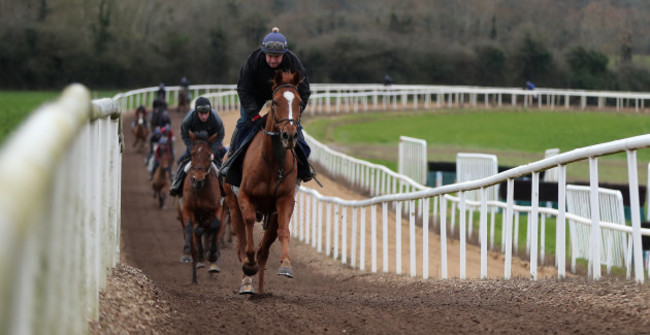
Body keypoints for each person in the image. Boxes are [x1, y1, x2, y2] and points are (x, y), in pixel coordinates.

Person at [219, 27, 316, 184]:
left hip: (283, 97)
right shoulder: (253, 60)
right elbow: (243, 88)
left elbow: (304, 92)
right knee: (244, 122)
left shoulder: (293, 62)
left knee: (293, 126)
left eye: (277, 57)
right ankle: (231, 159)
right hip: (255, 95)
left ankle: (305, 166)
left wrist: (295, 114)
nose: (272, 60)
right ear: (264, 53)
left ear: (284, 54)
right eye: (270, 56)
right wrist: (254, 115)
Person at [169, 97, 226, 197]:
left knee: (220, 163)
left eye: (206, 113)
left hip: (211, 143)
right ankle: (176, 184)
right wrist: (191, 148)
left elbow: (221, 135)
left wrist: (213, 151)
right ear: (196, 112)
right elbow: (184, 134)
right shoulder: (188, 119)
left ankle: (224, 187)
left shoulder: (216, 119)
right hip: (195, 144)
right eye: (201, 114)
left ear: (210, 111)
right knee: (183, 160)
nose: (204, 116)